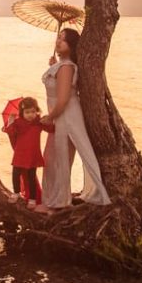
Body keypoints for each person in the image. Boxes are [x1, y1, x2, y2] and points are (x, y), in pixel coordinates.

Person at [39, 28, 110, 209]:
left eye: (63, 40)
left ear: (71, 46)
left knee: (59, 159)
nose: (58, 42)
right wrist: (54, 66)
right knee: (53, 158)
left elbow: (62, 100)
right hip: (61, 116)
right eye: (58, 38)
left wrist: (50, 117)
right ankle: (53, 200)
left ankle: (59, 203)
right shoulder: (62, 66)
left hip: (65, 116)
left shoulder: (67, 67)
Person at [3, 96, 51, 211]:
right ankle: (16, 193)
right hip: (20, 154)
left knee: (31, 177)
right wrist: (10, 122)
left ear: (37, 111)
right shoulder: (18, 122)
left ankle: (32, 199)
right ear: (22, 113)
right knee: (15, 174)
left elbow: (51, 129)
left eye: (33, 112)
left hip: (33, 155)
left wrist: (49, 119)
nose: (31, 114)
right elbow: (10, 132)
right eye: (27, 112)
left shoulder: (38, 122)